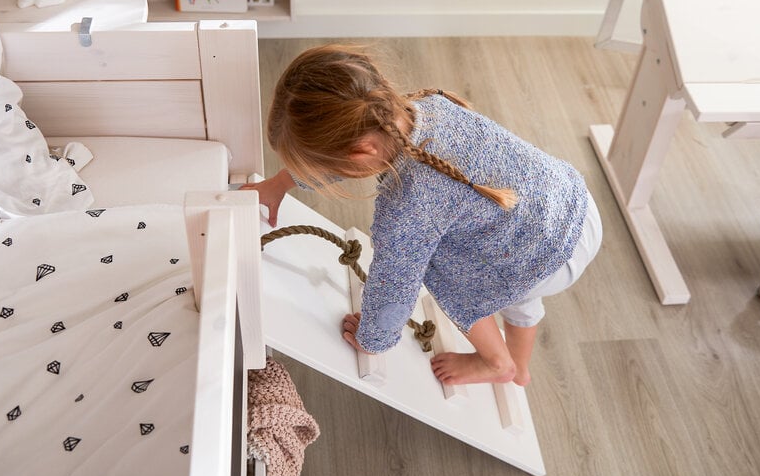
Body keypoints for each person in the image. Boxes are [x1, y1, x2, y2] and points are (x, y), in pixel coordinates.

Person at [244, 44, 602, 386]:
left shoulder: (408, 205)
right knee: (517, 282)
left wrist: (373, 339)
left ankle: (497, 362)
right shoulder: (422, 106)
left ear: (359, 152)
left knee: (444, 266)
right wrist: (280, 183)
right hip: (570, 206)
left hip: (545, 256)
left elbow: (395, 286)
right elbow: (348, 147)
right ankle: (520, 368)